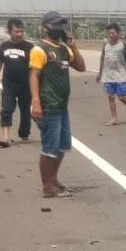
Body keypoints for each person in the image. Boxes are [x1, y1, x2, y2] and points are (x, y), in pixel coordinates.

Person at [29, 11, 86, 198]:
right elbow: (34, 76)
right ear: (45, 26)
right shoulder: (40, 49)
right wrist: (36, 102)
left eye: (61, 24)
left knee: (62, 146)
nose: (59, 28)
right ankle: (47, 187)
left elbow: (81, 66)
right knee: (49, 148)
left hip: (62, 106)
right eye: (55, 25)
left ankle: (53, 180)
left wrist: (74, 47)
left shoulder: (63, 48)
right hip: (48, 105)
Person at [0, 18, 34, 148]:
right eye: (16, 31)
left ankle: (24, 134)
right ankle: (5, 137)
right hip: (9, 85)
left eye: (21, 31)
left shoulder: (29, 47)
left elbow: (35, 68)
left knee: (25, 112)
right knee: (7, 109)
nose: (19, 34)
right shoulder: (4, 46)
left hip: (26, 86)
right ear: (9, 32)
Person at [96, 22, 126, 125]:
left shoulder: (123, 45)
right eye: (109, 33)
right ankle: (114, 118)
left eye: (112, 33)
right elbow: (102, 59)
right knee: (110, 97)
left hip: (121, 75)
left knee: (121, 96)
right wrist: (99, 74)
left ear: (118, 33)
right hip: (108, 76)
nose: (110, 35)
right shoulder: (105, 45)